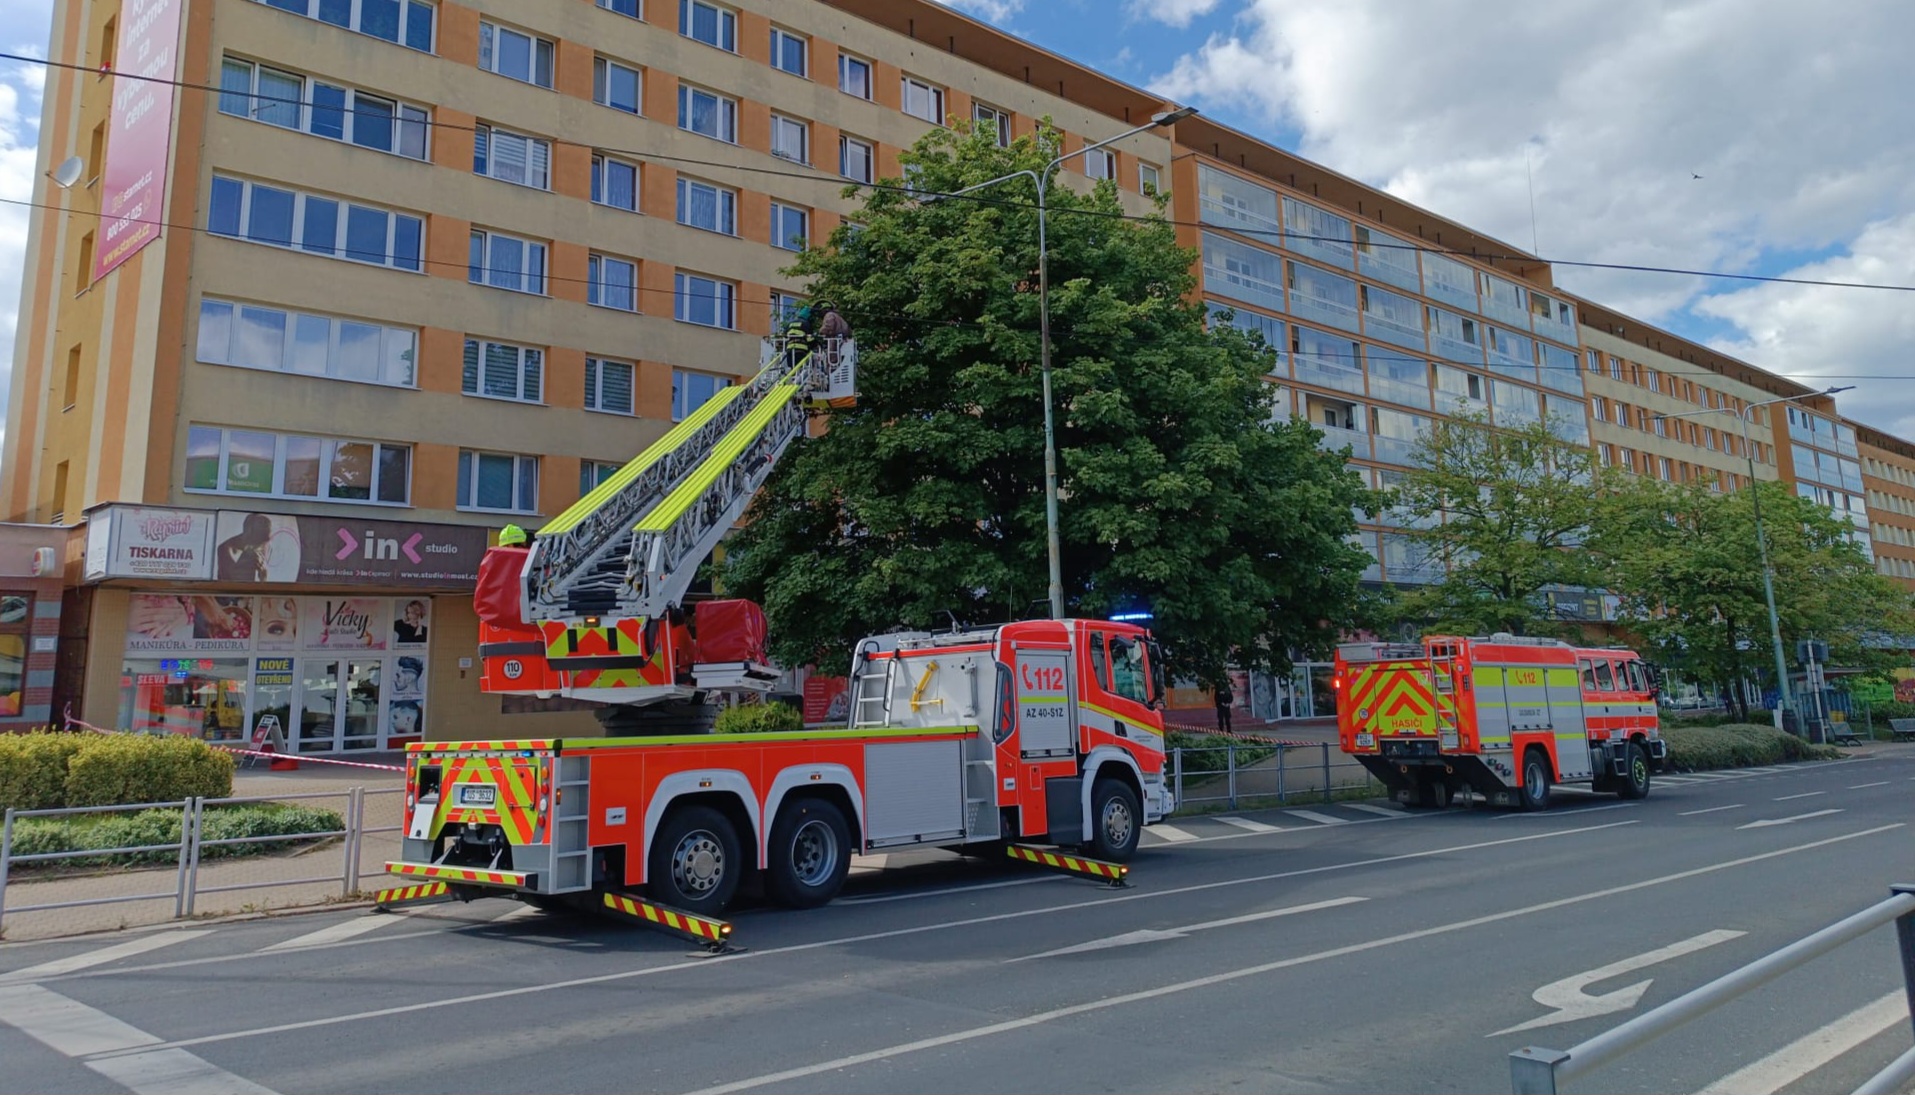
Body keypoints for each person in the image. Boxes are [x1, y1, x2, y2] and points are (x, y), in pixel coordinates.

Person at [215, 513, 272, 582]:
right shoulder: (226, 550)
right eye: (258, 543)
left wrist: (263, 577)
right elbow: (226, 584)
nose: (261, 547)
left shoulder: (262, 546)